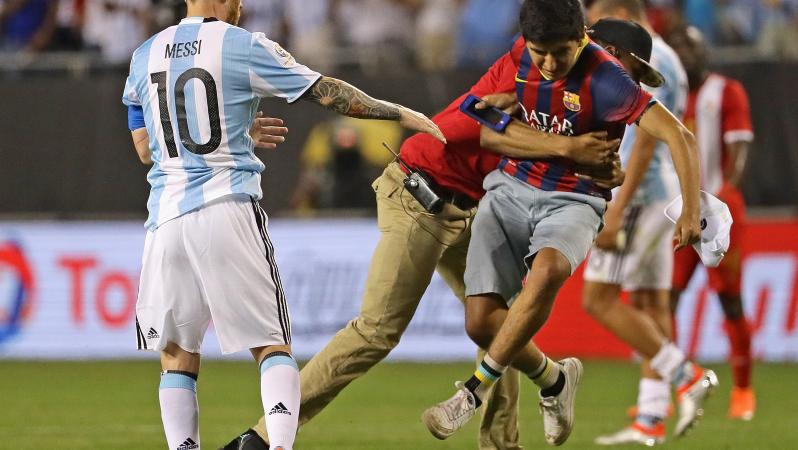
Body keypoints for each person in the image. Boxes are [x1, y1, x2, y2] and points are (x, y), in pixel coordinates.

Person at [221, 21, 623, 450]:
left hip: (470, 209)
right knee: (376, 330)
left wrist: (601, 170)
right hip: (419, 194)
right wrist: (567, 150)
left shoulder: (575, 101)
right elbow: (470, 128)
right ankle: (265, 438)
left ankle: (515, 430)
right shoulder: (527, 70)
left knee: (494, 320)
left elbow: (574, 163)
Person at [122, 0, 446, 448]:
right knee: (272, 345)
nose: (241, 7)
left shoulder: (144, 55)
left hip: (164, 222)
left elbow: (145, 148)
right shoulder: (241, 45)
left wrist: (237, 130)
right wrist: (401, 113)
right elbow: (326, 91)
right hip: (225, 207)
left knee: (176, 355)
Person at [422, 0, 707, 446]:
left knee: (554, 270)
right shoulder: (523, 56)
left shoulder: (610, 80)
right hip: (510, 187)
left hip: (576, 199)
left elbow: (678, 135)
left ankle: (472, 393)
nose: (550, 64)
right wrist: (555, 143)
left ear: (583, 40)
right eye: (542, 54)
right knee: (479, 323)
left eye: (561, 53)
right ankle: (556, 380)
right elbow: (480, 117)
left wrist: (692, 210)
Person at [568, 1, 711, 446]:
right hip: (657, 194)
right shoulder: (665, 56)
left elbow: (649, 142)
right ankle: (651, 420)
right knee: (651, 304)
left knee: (598, 299)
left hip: (637, 194)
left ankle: (687, 376)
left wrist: (614, 208)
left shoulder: (649, 60)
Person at [667, 25, 756, 421]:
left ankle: (742, 389)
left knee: (729, 301)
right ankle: (671, 391)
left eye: (691, 45)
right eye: (678, 47)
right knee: (664, 299)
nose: (684, 53)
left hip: (719, 211)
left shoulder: (727, 91)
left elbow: (738, 150)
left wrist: (722, 202)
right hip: (681, 211)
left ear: (704, 52)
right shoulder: (669, 96)